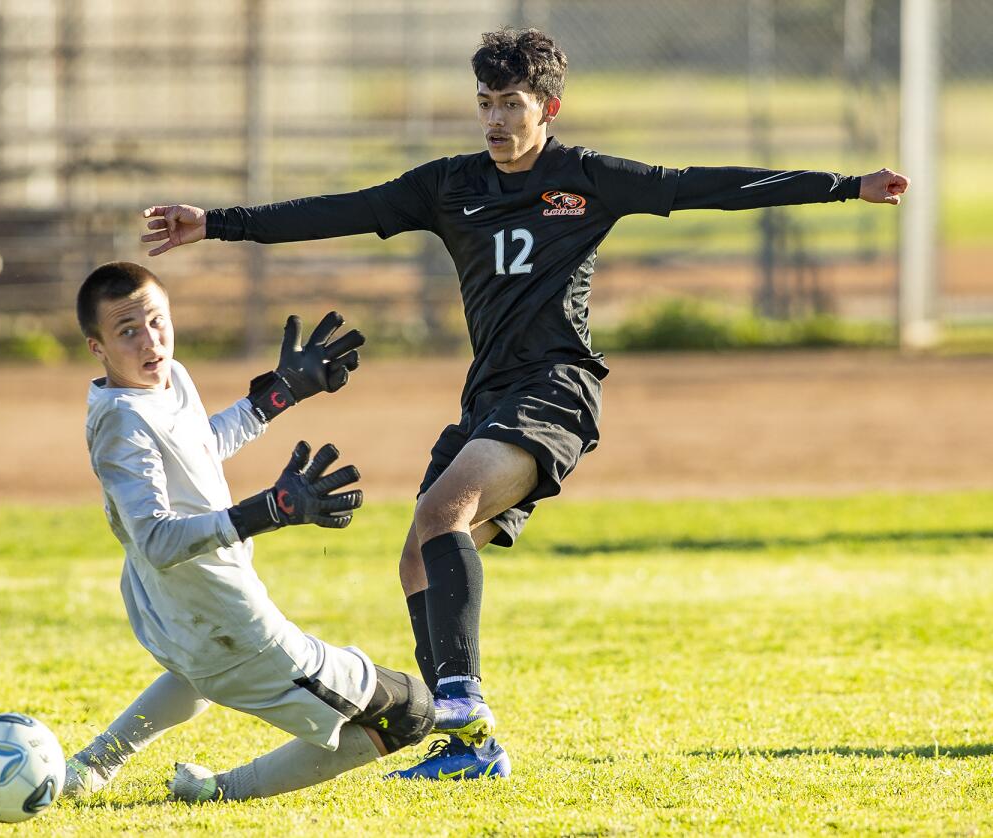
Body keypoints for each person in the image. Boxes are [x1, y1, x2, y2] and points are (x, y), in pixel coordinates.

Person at [138, 28, 911, 781]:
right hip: (490, 398)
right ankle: (468, 741)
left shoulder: (586, 177)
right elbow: (341, 209)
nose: (497, 120)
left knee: (442, 515)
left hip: (557, 388)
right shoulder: (449, 185)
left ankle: (461, 706)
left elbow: (699, 186)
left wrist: (844, 185)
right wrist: (217, 224)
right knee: (417, 553)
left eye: (511, 103)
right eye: (486, 103)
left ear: (549, 107)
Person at [63, 260, 434, 803]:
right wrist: (268, 511)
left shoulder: (166, 379)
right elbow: (157, 540)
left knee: (200, 673)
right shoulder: (121, 423)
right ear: (96, 347)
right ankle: (218, 791)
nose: (151, 341)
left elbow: (199, 447)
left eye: (157, 321)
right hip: (231, 625)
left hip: (173, 615)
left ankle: (94, 764)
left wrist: (280, 393)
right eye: (127, 332)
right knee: (413, 713)